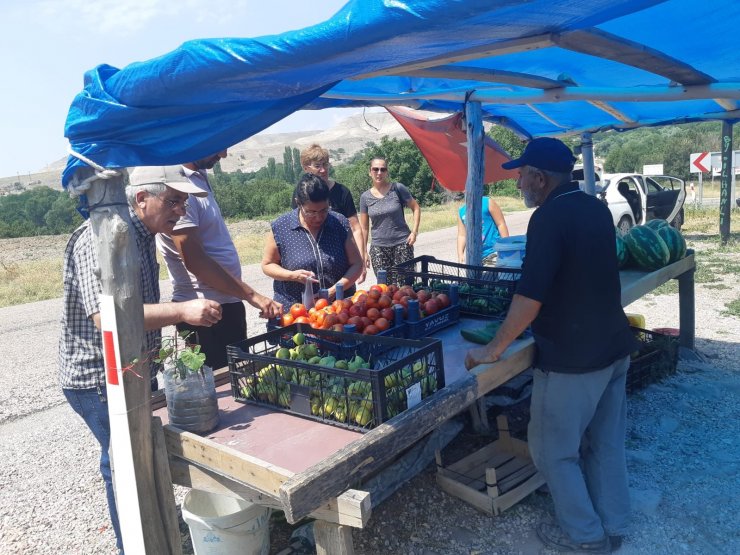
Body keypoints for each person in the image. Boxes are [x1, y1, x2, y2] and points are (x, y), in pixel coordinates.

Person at [464, 138, 638, 554]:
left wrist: (494, 349)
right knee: (606, 442)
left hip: (573, 360)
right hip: (614, 346)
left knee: (552, 453)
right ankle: (615, 523)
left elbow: (530, 297)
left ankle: (587, 538)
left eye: (522, 174)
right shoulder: (595, 207)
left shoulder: (547, 218)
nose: (519, 180)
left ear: (540, 179)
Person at [59, 166, 224, 554]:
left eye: (184, 202)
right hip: (98, 375)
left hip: (132, 365)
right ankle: (133, 543)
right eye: (173, 201)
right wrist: (182, 312)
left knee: (140, 453)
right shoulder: (101, 238)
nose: (181, 211)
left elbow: (135, 305)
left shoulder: (143, 233)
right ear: (140, 198)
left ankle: (154, 530)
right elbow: (107, 319)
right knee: (123, 461)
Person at [156, 150, 282, 370]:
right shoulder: (179, 188)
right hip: (205, 311)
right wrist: (252, 295)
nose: (223, 154)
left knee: (237, 376)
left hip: (225, 302)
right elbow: (194, 260)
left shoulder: (199, 177)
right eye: (219, 146)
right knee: (220, 382)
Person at [262, 173, 363, 309]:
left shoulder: (339, 223)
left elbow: (356, 264)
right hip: (296, 312)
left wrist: (334, 291)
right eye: (311, 212)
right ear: (298, 203)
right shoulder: (281, 227)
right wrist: (292, 276)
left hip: (339, 310)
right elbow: (267, 265)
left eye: (324, 210)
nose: (318, 217)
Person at [292, 144, 367, 282]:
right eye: (317, 166)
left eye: (325, 164)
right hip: (312, 266)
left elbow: (356, 228)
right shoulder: (300, 193)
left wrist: (360, 261)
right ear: (306, 168)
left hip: (342, 264)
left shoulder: (342, 192)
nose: (323, 170)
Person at [359, 157, 421, 285]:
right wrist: (364, 252)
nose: (379, 173)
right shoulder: (365, 197)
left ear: (387, 172)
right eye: (375, 169)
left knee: (406, 287)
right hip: (379, 248)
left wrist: (414, 232)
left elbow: (416, 208)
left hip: (402, 244)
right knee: (385, 290)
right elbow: (364, 228)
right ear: (369, 172)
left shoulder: (398, 188)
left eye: (383, 169)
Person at [457, 195, 510, 265]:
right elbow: (462, 235)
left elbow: (501, 224)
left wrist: (507, 247)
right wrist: (460, 255)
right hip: (474, 257)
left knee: (489, 275)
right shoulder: (461, 211)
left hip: (494, 252)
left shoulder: (487, 202)